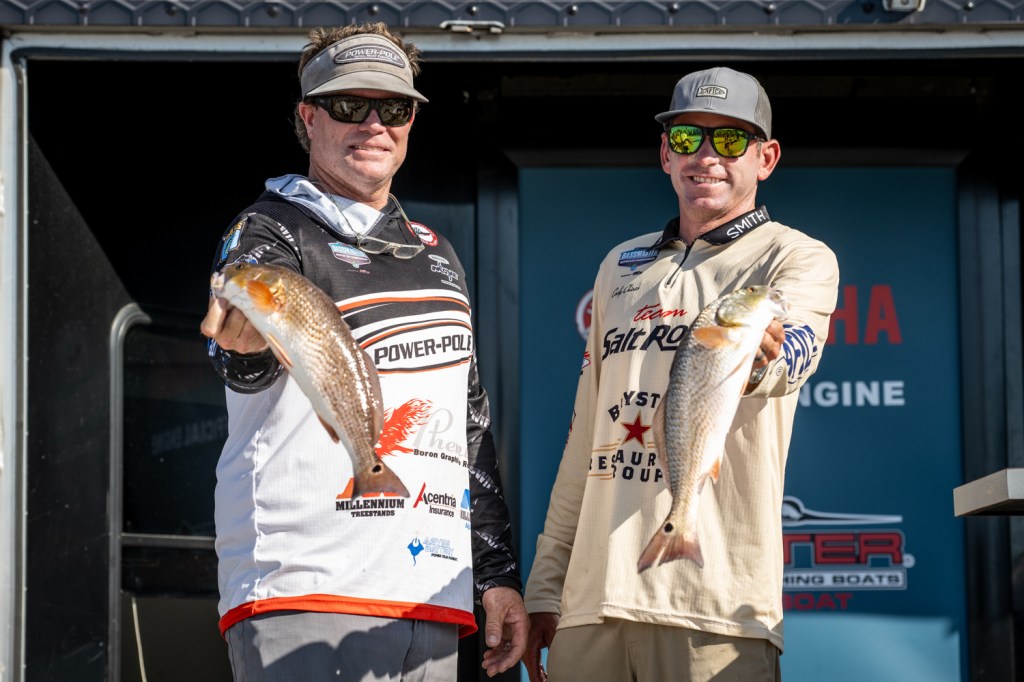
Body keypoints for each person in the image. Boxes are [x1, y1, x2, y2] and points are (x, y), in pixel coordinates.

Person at [200, 22, 526, 681]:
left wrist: (495, 573)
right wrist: (244, 349)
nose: (374, 124)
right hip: (307, 586)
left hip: (430, 593)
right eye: (350, 105)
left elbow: (468, 424)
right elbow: (241, 359)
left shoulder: (437, 253)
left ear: (411, 121)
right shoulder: (268, 230)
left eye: (394, 108)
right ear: (308, 117)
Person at [522, 67, 840, 681]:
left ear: (767, 158)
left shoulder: (794, 255)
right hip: (591, 604)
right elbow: (585, 437)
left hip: (714, 607)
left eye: (730, 140)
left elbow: (796, 357)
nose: (706, 157)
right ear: (666, 153)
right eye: (689, 138)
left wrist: (761, 359)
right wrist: (547, 586)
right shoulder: (620, 263)